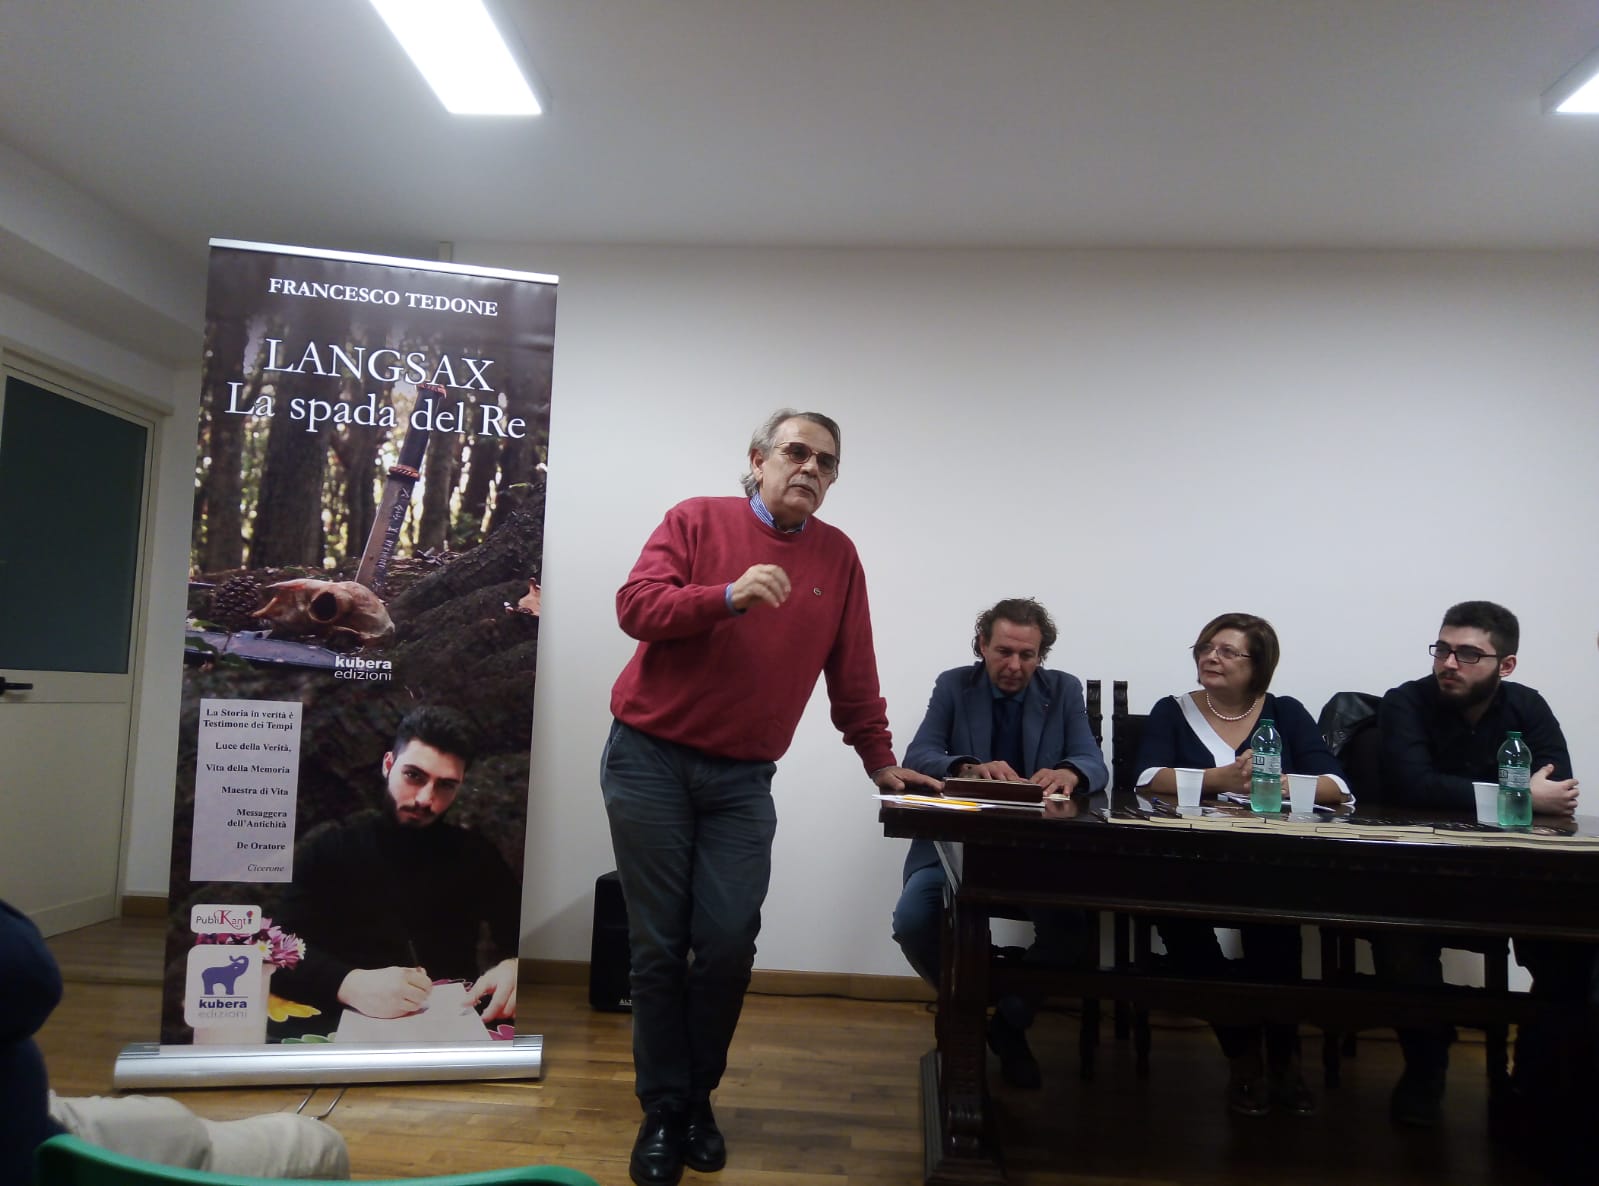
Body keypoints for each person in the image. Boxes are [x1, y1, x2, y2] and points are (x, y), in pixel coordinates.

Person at [602, 408, 937, 1186]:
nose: (810, 468)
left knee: (726, 942)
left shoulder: (837, 557)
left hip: (742, 778)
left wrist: (879, 760)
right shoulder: (695, 520)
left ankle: (698, 1098)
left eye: (826, 462)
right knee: (658, 946)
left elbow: (853, 673)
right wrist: (725, 596)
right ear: (757, 460)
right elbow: (634, 608)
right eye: (795, 452)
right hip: (649, 759)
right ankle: (664, 1111)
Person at [1376, 599, 1587, 1136]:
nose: (1449, 663)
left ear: (1505, 665)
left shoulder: (1527, 706)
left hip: (1513, 873)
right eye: (1443, 649)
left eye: (1468, 654)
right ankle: (1426, 1068)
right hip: (1422, 872)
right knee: (1397, 939)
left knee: (1573, 948)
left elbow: (1559, 791)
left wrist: (1468, 794)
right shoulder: (1406, 701)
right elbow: (1411, 787)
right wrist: (1517, 795)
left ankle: (1535, 1078)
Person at [1134, 612, 1349, 1118]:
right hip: (1188, 862)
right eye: (1206, 647)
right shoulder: (1172, 710)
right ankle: (1242, 1052)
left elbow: (1337, 786)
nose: (1211, 657)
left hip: (1269, 862)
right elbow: (1146, 778)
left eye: (1228, 651)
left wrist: (1278, 784)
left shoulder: (1285, 712)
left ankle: (1285, 1061)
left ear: (1259, 665)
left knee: (1276, 933)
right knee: (1182, 932)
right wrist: (1220, 779)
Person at [894, 597, 1108, 1088]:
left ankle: (1008, 1022)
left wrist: (1070, 772)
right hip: (956, 849)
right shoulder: (954, 685)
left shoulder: (1063, 689)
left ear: (1041, 655)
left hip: (1037, 852)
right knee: (913, 920)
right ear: (982, 646)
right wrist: (967, 767)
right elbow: (919, 754)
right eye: (1004, 652)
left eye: (1027, 655)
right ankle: (971, 1005)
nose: (1015, 665)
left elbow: (1094, 763)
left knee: (1070, 931)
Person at [2, 897, 348, 1180]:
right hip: (31, 1146)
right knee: (318, 1144)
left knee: (164, 1119)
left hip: (37, 1116)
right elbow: (27, 974)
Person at [273, 706, 520, 1029]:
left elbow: (521, 935)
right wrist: (347, 983)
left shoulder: (476, 855)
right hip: (342, 1027)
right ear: (388, 764)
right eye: (414, 776)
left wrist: (516, 966)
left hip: (452, 1027)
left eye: (446, 785)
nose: (425, 799)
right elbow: (275, 948)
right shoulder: (330, 848)